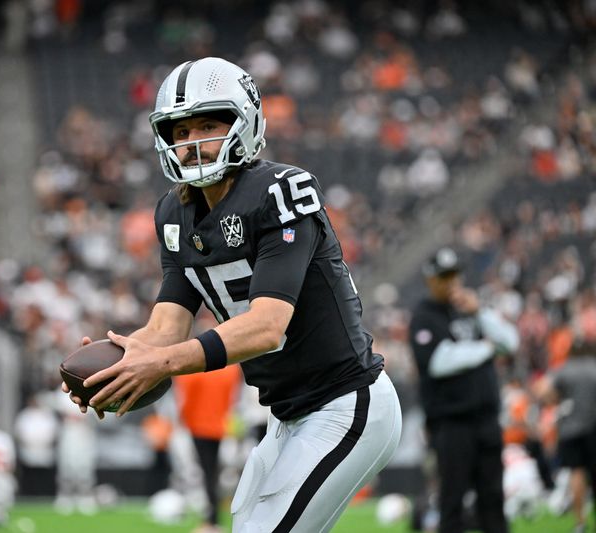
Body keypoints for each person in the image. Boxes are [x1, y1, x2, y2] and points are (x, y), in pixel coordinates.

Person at [63, 56, 402, 532]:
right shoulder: (174, 214)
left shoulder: (282, 191)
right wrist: (121, 362)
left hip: (346, 401)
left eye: (207, 125)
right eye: (179, 132)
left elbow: (267, 325)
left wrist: (160, 365)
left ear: (246, 123)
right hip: (287, 416)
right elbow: (166, 325)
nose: (192, 142)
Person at [409, 247, 519, 533]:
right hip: (451, 424)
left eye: (454, 275)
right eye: (444, 277)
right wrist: (485, 348)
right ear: (430, 281)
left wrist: (481, 312)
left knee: (493, 499)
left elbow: (510, 342)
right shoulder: (424, 316)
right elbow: (438, 362)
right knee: (452, 500)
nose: (451, 283)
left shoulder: (472, 310)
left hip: (486, 420)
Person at [535, 336, 596, 533]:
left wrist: (558, 400)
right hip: (593, 427)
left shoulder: (563, 369)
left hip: (570, 430)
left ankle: (580, 523)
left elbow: (542, 391)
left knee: (576, 473)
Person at [175, 363, 242, 532]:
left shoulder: (192, 370)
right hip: (221, 425)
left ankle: (212, 521)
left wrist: (184, 420)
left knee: (208, 474)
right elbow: (232, 396)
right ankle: (213, 519)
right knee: (213, 474)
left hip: (199, 426)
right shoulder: (230, 369)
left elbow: (185, 399)